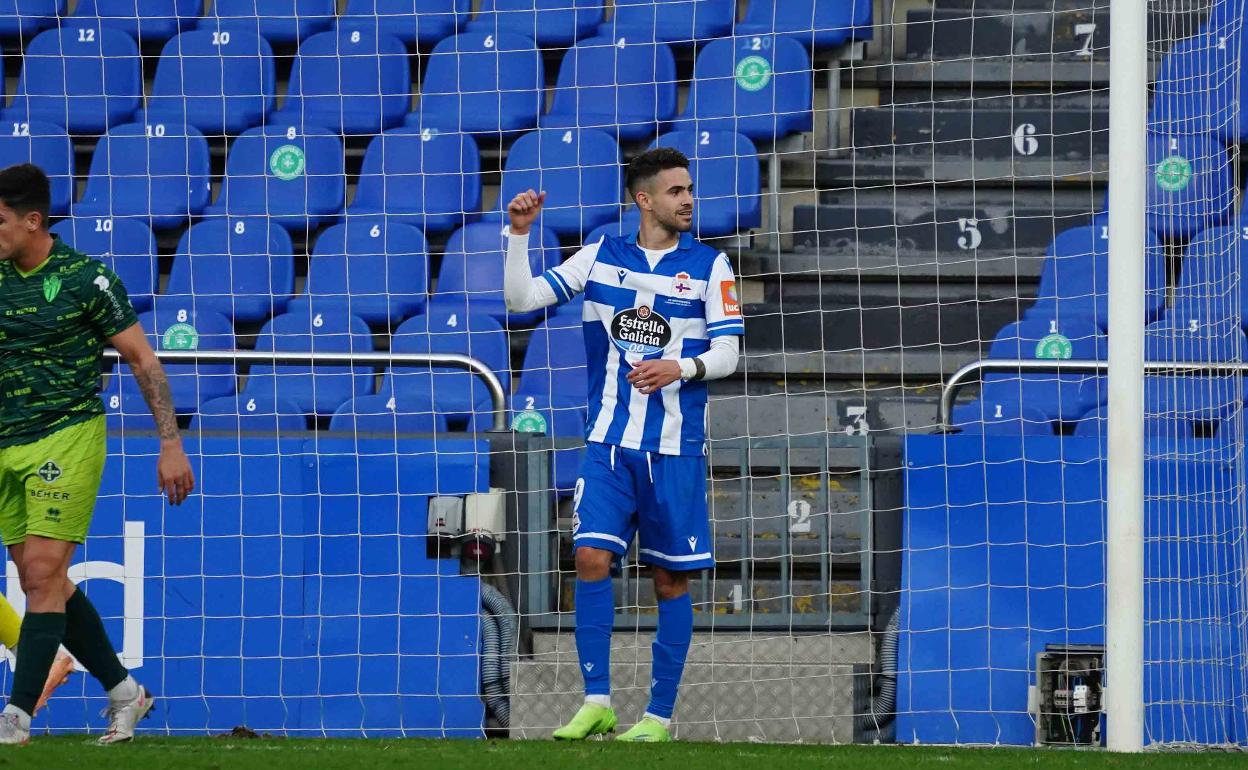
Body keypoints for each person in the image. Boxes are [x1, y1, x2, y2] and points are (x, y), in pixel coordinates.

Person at [503, 147, 744, 742]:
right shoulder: (600, 256)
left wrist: (680, 367)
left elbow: (730, 353)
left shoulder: (710, 266)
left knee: (669, 581)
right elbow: (520, 300)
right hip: (607, 443)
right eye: (676, 191)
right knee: (589, 557)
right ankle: (597, 702)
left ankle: (657, 717)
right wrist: (519, 235)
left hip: (673, 448)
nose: (688, 200)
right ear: (644, 199)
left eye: (690, 189)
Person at [0, 164, 195, 745]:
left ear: (32, 221)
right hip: (6, 441)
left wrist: (170, 442)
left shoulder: (87, 279)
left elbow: (143, 360)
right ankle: (125, 692)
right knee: (43, 580)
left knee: (41, 574)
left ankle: (16, 718)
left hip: (68, 434)